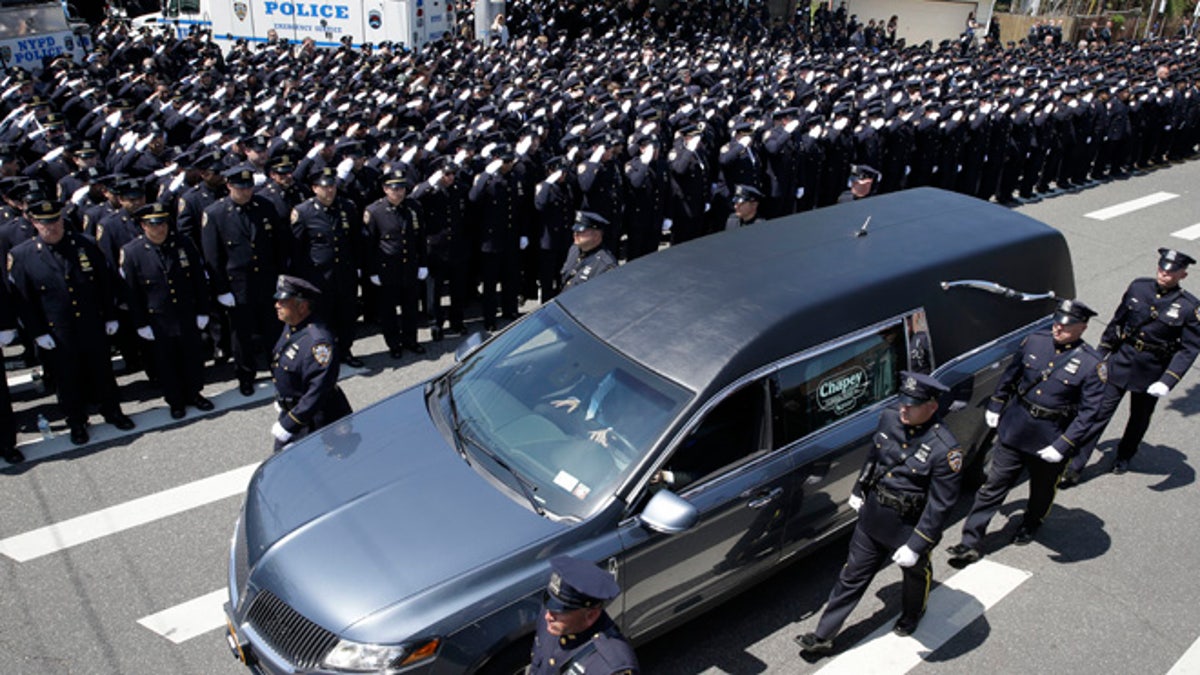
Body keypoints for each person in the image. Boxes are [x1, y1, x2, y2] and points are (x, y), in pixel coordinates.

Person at [797, 372, 962, 655]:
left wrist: (917, 544)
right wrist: (859, 489)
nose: (904, 409)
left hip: (909, 527)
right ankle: (823, 635)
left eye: (912, 404)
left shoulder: (945, 449)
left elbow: (940, 505)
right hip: (874, 515)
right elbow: (875, 457)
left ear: (932, 407)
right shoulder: (889, 419)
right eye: (903, 401)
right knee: (851, 575)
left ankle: (913, 614)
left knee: (913, 575)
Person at [945, 300, 1106, 567]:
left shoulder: (1091, 364)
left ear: (1082, 327)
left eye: (1066, 326)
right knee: (993, 487)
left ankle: (1032, 522)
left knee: (1041, 490)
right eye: (1056, 322)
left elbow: (1090, 413)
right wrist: (996, 405)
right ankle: (970, 542)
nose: (1058, 328)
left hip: (1051, 437)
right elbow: (1011, 376)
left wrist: (1063, 445)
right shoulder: (1035, 342)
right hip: (1016, 428)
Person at [7, 200, 135, 445]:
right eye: (44, 223)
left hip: (91, 323)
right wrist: (37, 332)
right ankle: (76, 422)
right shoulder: (22, 255)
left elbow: (104, 282)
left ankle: (113, 412)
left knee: (103, 372)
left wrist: (110, 314)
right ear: (34, 223)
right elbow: (23, 300)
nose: (51, 227)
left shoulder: (84, 244)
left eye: (55, 221)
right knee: (67, 379)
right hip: (57, 330)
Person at [1068, 249, 1200, 477]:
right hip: (1121, 361)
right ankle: (1074, 468)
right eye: (1162, 268)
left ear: (1183, 276)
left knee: (1138, 418)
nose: (1164, 274)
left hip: (1152, 370)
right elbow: (1117, 322)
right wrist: (1101, 354)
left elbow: (1189, 349)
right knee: (1098, 413)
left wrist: (1168, 380)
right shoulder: (1139, 287)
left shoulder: (1189, 307)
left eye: (1171, 272)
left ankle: (1125, 455)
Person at [121, 202, 214, 419]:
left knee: (191, 357)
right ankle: (175, 401)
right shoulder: (132, 252)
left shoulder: (183, 243)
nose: (160, 228)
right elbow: (132, 293)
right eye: (154, 224)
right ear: (143, 225)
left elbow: (199, 279)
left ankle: (194, 393)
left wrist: (203, 309)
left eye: (162, 222)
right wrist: (140, 323)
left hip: (185, 312)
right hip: (158, 319)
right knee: (166, 362)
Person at [202, 165, 290, 395]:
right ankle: (245, 375)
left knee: (274, 329)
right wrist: (222, 288)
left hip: (267, 280)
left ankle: (278, 369)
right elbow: (213, 255)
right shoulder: (215, 213)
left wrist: (281, 275)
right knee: (242, 336)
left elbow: (278, 245)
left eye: (249, 187)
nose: (246, 192)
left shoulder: (264, 206)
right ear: (229, 186)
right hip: (237, 285)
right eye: (241, 188)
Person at [290, 167, 365, 367]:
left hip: (345, 273)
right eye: (324, 187)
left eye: (332, 186)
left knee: (347, 315)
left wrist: (358, 265)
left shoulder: (346, 207)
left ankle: (345, 351)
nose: (330, 191)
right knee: (322, 319)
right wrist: (302, 280)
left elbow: (355, 239)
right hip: (318, 277)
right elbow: (297, 249)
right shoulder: (303, 212)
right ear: (315, 188)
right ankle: (325, 356)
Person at [270, 275, 352, 452]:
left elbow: (318, 390)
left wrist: (289, 424)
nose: (277, 305)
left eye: (284, 301)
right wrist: (282, 398)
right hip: (297, 411)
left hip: (317, 423)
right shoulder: (292, 326)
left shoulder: (318, 342)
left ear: (302, 306)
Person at [529, 555, 638, 675]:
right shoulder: (551, 616)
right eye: (550, 606)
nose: (547, 616)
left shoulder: (611, 666)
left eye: (559, 612)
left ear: (590, 615)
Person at [364, 170, 428, 359]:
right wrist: (372, 270)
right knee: (388, 309)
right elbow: (369, 244)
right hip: (387, 268)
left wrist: (422, 263)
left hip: (409, 265)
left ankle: (411, 340)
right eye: (394, 189)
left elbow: (420, 238)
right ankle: (394, 343)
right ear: (385, 189)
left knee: (410, 307)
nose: (399, 192)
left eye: (402, 188)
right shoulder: (374, 211)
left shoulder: (413, 207)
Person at [561, 211, 618, 292]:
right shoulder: (575, 249)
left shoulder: (606, 266)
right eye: (575, 230)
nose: (575, 234)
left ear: (596, 235)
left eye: (580, 231)